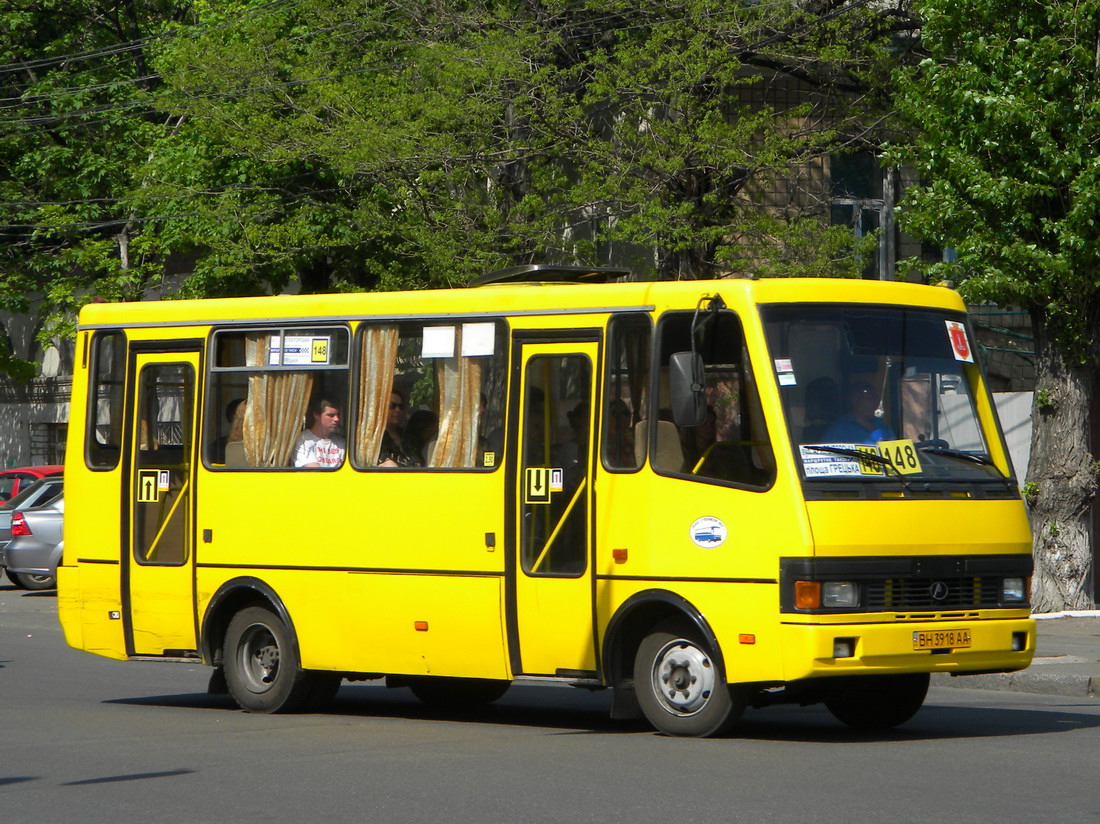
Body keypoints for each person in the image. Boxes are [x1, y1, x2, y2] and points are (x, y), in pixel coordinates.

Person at [822, 381, 896, 445]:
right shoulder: (839, 430)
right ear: (855, 400)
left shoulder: (880, 425)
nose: (876, 402)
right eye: (870, 398)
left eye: (876, 397)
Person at [293, 398, 346, 468]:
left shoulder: (341, 443)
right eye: (331, 415)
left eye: (338, 415)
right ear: (316, 415)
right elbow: (314, 471)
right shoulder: (303, 441)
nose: (336, 419)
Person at [378, 388, 418, 467]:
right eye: (392, 405)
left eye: (401, 406)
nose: (397, 410)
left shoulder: (407, 436)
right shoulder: (375, 439)